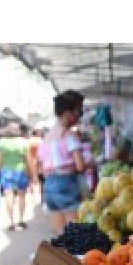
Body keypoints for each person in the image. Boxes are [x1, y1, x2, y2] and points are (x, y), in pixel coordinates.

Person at [38, 91, 89, 234]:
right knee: (76, 234)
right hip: (67, 184)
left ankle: (62, 256)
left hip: (49, 185)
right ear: (68, 113)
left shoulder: (47, 137)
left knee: (61, 235)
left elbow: (42, 167)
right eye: (79, 111)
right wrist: (89, 164)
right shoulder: (69, 136)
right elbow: (80, 166)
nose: (79, 116)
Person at [0, 122, 35, 231]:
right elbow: (29, 161)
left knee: (8, 196)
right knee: (22, 196)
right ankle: (21, 220)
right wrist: (33, 175)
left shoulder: (1, 143)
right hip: (21, 171)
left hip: (6, 172)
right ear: (18, 131)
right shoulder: (24, 142)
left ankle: (11, 222)